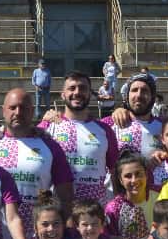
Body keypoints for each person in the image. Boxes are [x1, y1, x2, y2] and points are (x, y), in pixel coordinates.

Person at [0, 88, 74, 234]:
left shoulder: (50, 146)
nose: (18, 112)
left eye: (23, 108)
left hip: (38, 238)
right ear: (3, 110)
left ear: (32, 111)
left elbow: (65, 197)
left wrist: (68, 232)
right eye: (12, 107)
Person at [41, 72, 119, 206]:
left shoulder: (105, 131)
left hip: (95, 217)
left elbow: (115, 173)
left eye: (83, 88)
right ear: (62, 94)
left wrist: (117, 207)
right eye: (72, 88)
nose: (77, 92)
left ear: (90, 94)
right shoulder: (47, 127)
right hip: (59, 216)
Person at [105, 152, 154, 239]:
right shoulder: (113, 208)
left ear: (146, 175)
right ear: (120, 180)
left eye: (138, 174)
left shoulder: (161, 195)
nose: (134, 180)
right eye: (128, 176)